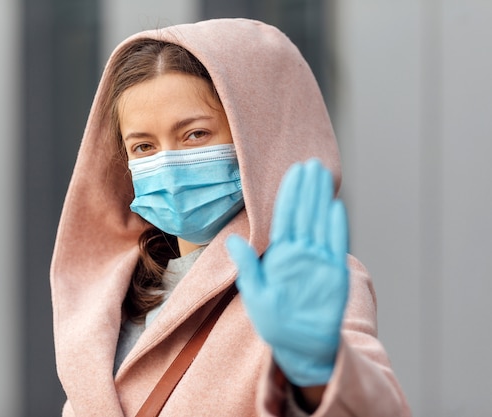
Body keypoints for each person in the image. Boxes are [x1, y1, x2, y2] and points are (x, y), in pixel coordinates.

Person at [50, 18, 411, 416]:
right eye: (143, 146)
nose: (167, 164)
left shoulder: (302, 285)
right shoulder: (110, 295)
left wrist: (321, 372)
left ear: (256, 138)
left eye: (195, 135)